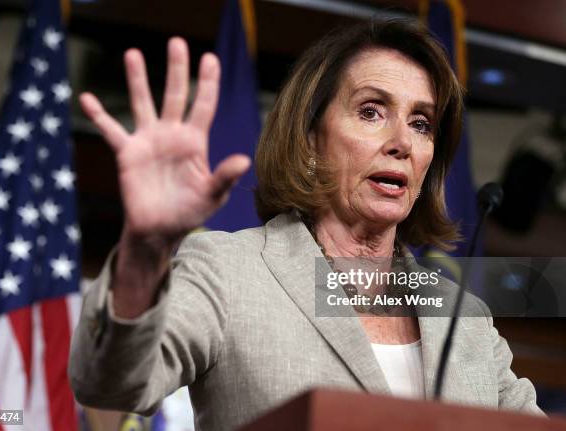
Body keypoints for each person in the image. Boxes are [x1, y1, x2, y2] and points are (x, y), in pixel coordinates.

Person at [68, 19, 543, 430]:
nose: (402, 140)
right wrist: (145, 250)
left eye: (421, 123)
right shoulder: (229, 271)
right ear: (311, 139)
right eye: (371, 111)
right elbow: (111, 383)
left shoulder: (465, 318)